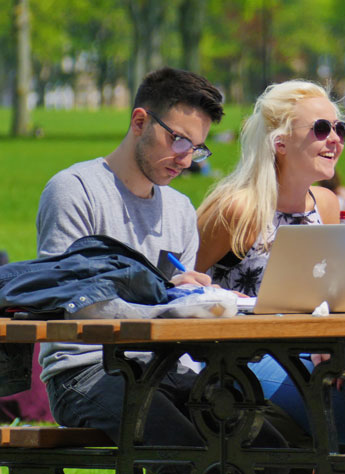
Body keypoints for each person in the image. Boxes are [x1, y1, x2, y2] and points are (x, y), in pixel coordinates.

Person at [35, 67, 287, 452]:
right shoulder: (74, 190)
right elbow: (71, 303)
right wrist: (169, 306)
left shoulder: (180, 209)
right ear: (140, 121)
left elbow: (173, 304)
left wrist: (198, 300)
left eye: (197, 148)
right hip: (85, 371)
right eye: (180, 140)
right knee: (183, 453)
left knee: (271, 451)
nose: (186, 159)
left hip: (169, 368)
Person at [195, 80, 345, 447]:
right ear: (280, 142)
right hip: (243, 358)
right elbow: (178, 285)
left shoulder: (325, 203)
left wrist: (333, 340)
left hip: (313, 350)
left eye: (341, 128)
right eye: (321, 129)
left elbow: (330, 294)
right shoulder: (238, 210)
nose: (335, 138)